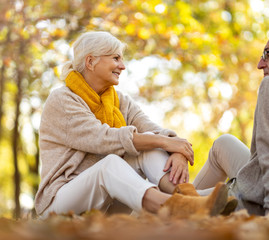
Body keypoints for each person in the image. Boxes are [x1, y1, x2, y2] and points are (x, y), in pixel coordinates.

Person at [34, 31, 230, 218]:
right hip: (59, 203)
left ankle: (191, 199)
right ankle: (173, 207)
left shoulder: (119, 101)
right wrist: (165, 142)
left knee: (149, 146)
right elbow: (102, 139)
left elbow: (154, 130)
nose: (123, 66)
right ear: (91, 61)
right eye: (116, 58)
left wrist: (177, 150)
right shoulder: (62, 100)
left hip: (106, 206)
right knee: (111, 163)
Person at [192, 23, 269, 216]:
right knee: (223, 143)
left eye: (267, 54)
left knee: (167, 200)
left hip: (263, 204)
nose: (260, 64)